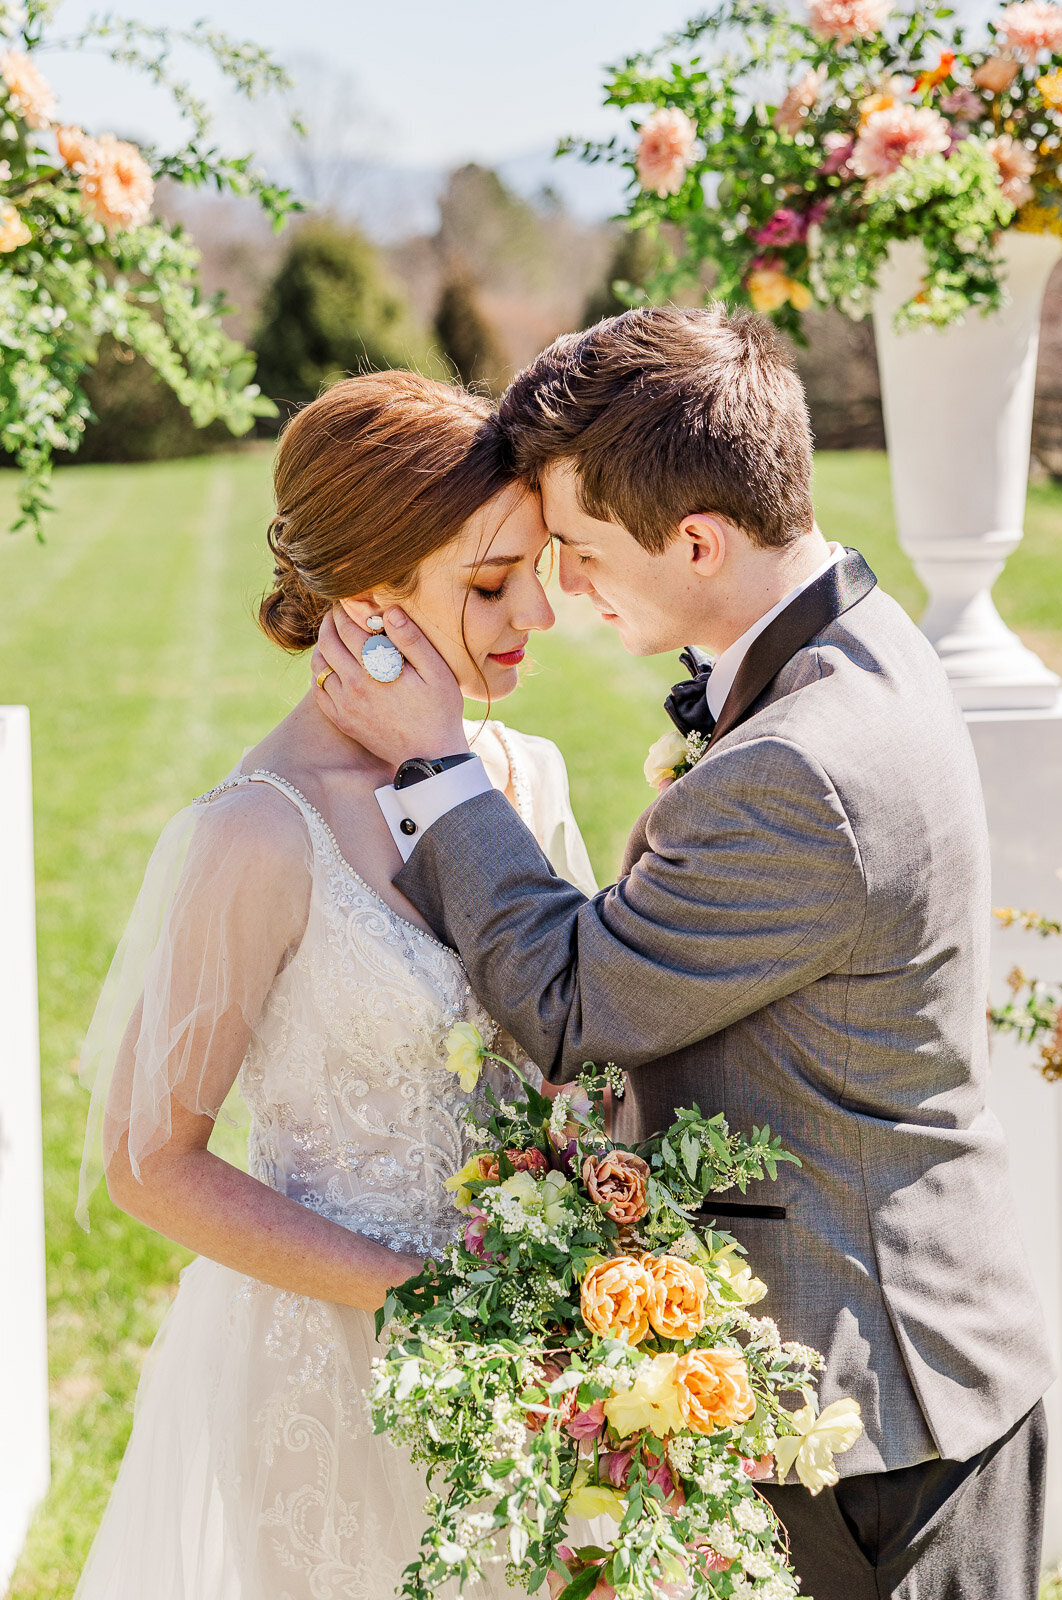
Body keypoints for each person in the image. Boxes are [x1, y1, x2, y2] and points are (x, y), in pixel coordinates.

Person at [312, 306, 1054, 1600]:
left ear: (696, 539)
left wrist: (433, 760)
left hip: (872, 1420)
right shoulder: (848, 639)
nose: (562, 592)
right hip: (908, 1364)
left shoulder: (795, 770)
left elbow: (567, 999)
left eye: (580, 550)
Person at [74, 371, 597, 1599]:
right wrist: (424, 1303)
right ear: (367, 596)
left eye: (537, 568)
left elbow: (588, 1040)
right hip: (327, 1376)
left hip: (539, 1368)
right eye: (489, 582)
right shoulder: (259, 837)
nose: (539, 609)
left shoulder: (527, 774)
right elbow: (149, 1159)